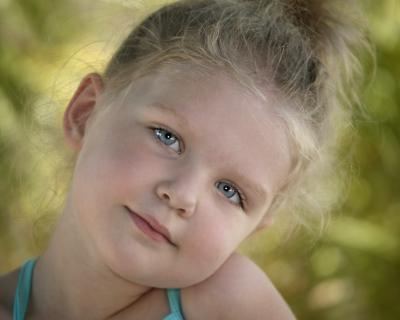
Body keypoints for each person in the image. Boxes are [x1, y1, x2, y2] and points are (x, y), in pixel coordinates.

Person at [0, 0, 368, 319]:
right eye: (168, 138)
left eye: (229, 190)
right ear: (85, 114)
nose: (183, 196)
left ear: (255, 226)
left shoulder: (227, 304)